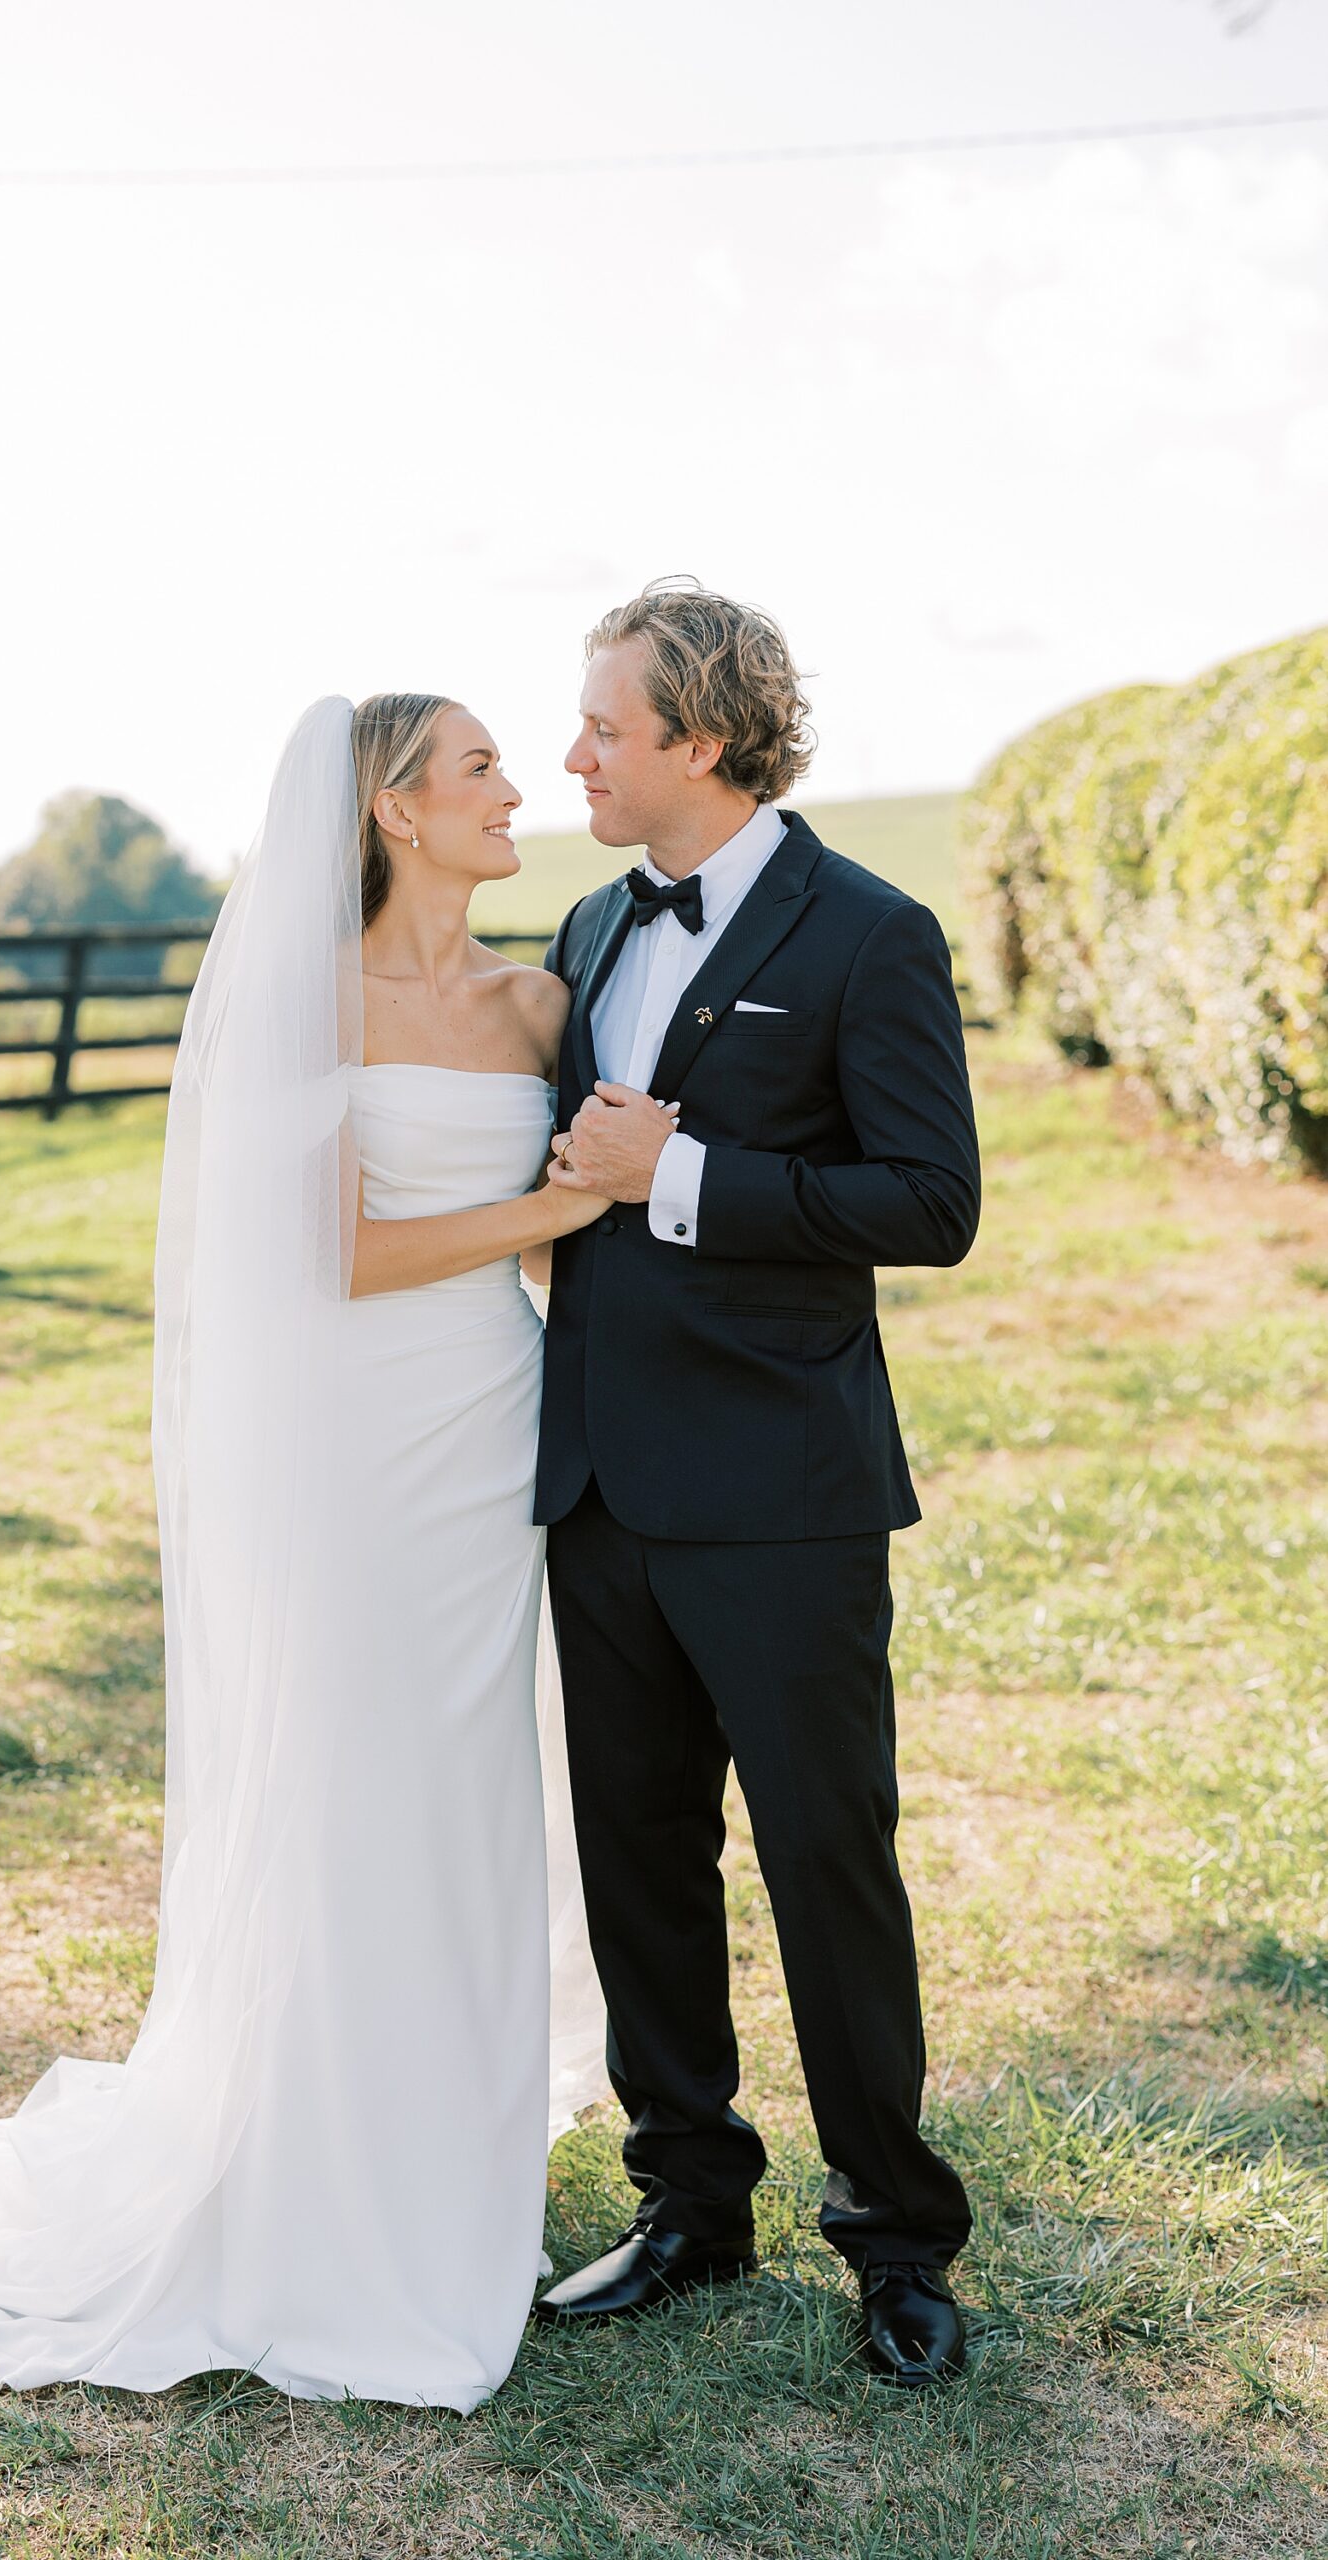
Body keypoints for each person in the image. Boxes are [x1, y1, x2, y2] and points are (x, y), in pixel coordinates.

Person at [0, 693, 607, 2413]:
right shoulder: (308, 1000)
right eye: (478, 768)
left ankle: (446, 2152)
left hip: (490, 1434)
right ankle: (309, 2162)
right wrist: (561, 1205)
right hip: (353, 1442)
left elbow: (580, 1243)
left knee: (475, 1783)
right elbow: (339, 1253)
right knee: (344, 1776)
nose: (515, 787)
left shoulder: (539, 1003)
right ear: (392, 807)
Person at [533, 579, 980, 2386]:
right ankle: (689, 2201)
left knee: (824, 1864)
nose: (573, 755)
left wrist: (689, 1172)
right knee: (639, 1863)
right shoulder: (577, 921)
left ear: (699, 741)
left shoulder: (873, 932)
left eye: (602, 730)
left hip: (786, 1495)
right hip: (594, 1490)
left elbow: (929, 1204)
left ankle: (896, 2236)